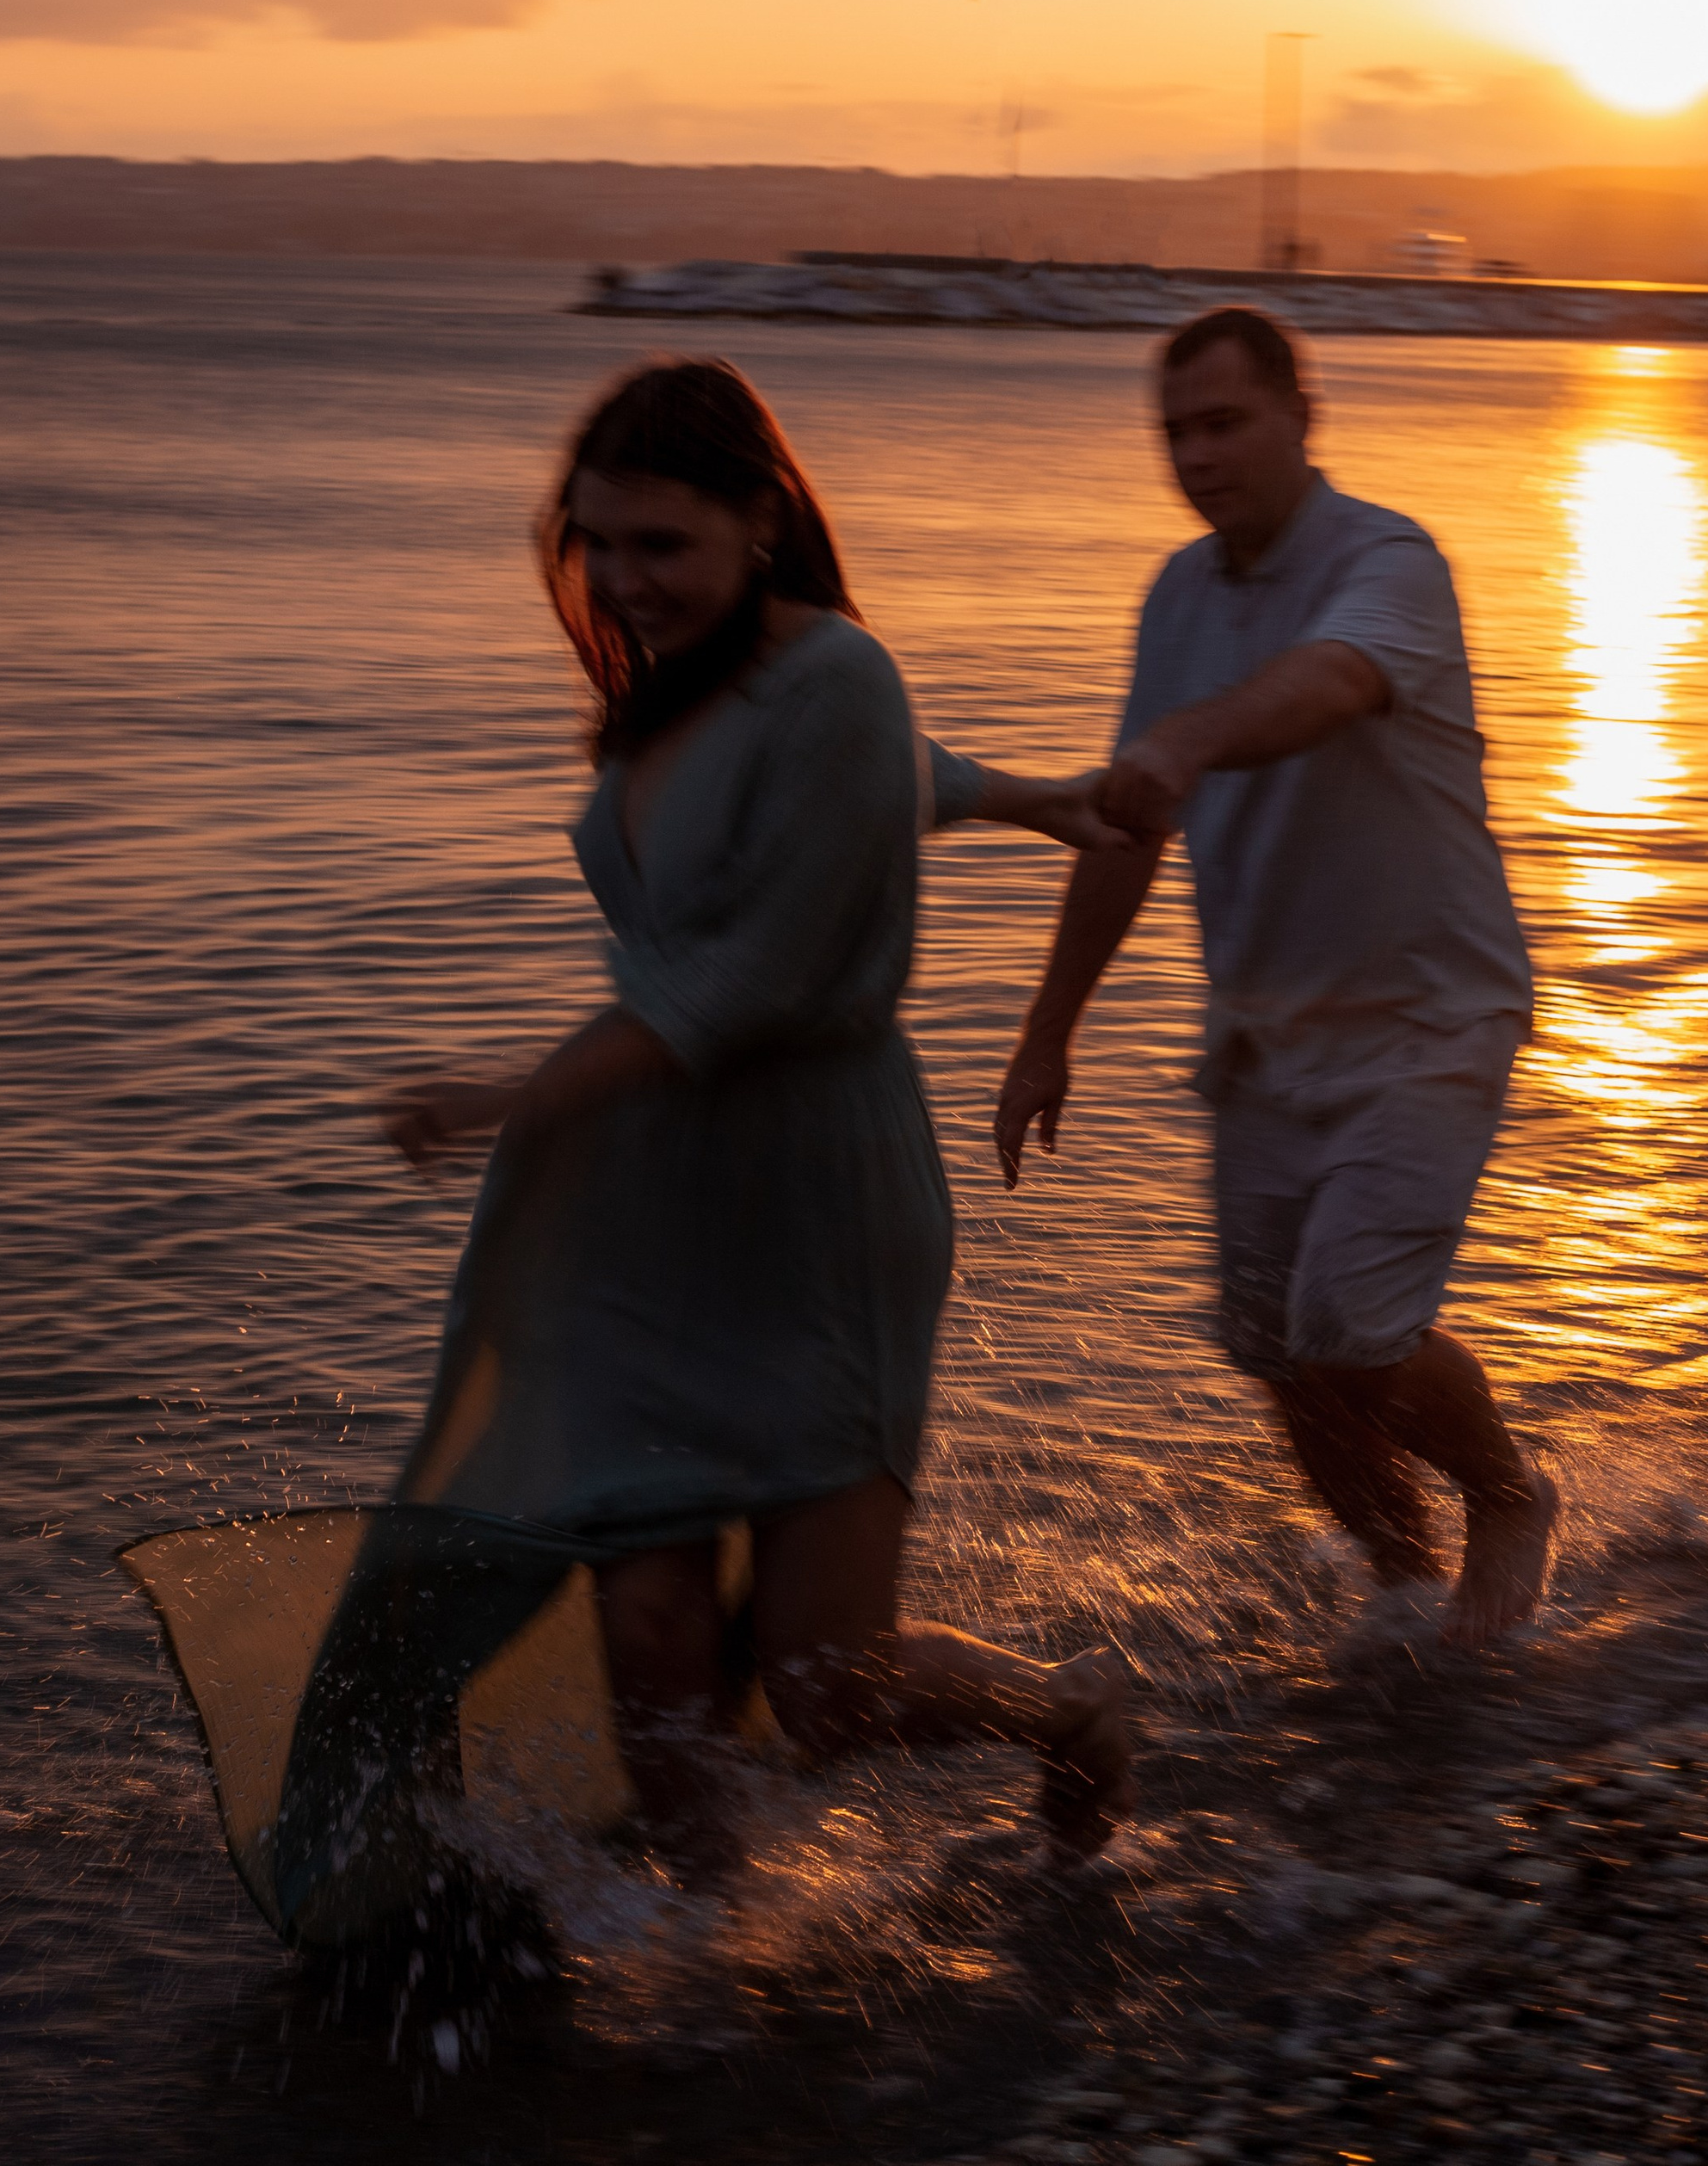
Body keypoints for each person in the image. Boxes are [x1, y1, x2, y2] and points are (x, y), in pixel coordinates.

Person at [361, 357, 1137, 1886]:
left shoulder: (837, 671)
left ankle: (1076, 1719)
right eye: (599, 544)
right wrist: (1035, 796)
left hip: (811, 1210)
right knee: (646, 1631)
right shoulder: (687, 685)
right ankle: (716, 1965)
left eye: (664, 545)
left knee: (825, 1685)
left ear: (761, 523)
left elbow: (738, 985)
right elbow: (879, 788)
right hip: (640, 1225)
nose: (626, 581)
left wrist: (504, 1097)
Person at [995, 306, 1557, 1651]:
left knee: (1352, 1330)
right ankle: (1405, 1600)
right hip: (1263, 1041)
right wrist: (1046, 1033)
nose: (1198, 455)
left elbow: (1332, 683)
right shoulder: (1178, 596)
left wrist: (1190, 739)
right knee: (1279, 1361)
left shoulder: (1386, 561)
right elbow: (1133, 825)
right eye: (1175, 431)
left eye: (1226, 422)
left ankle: (1511, 1495)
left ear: (1304, 417)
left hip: (1427, 1018)